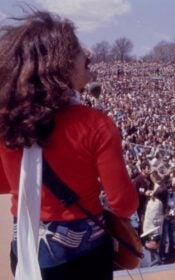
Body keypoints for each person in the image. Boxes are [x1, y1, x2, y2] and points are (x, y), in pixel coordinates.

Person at [0, 11, 138, 280]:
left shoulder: (8, 121)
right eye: (78, 50)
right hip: (83, 260)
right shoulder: (95, 124)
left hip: (26, 251)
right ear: (59, 66)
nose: (87, 54)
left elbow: (4, 184)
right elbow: (123, 204)